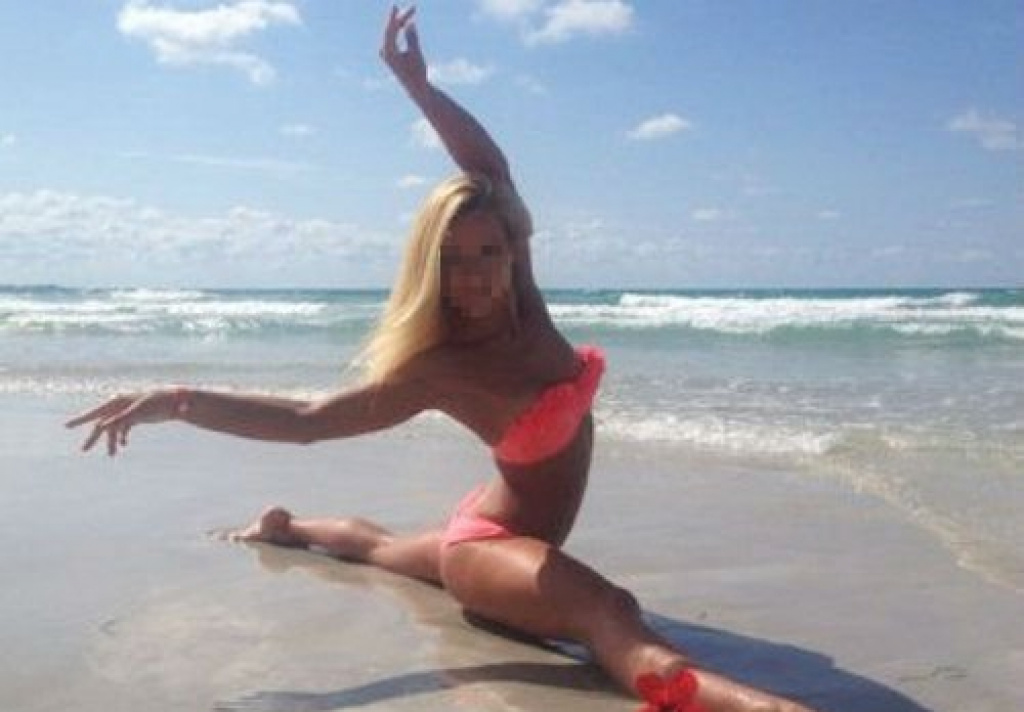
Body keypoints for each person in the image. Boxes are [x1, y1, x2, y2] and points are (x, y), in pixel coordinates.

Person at [67, 7, 817, 712]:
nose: (474, 275)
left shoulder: (526, 303)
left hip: (491, 522)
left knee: (380, 547)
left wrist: (418, 87)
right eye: (453, 259)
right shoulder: (440, 367)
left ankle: (285, 526)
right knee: (609, 612)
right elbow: (306, 421)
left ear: (511, 250)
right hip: (488, 549)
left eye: (488, 252)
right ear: (431, 266)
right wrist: (179, 400)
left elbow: (490, 166)